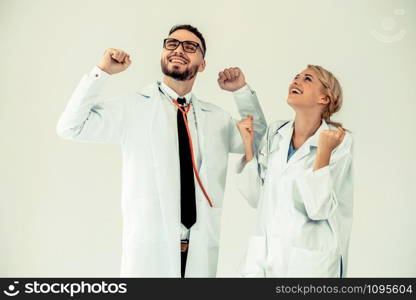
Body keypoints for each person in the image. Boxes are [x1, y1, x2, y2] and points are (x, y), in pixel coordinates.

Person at [56, 24, 266, 277]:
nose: (179, 50)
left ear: (202, 64)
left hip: (199, 249)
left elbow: (258, 142)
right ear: (162, 54)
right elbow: (71, 127)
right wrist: (102, 73)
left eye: (190, 47)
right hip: (149, 249)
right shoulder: (134, 108)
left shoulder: (216, 118)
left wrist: (241, 93)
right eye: (172, 44)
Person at [236, 64, 353, 277]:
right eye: (296, 77)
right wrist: (248, 146)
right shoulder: (276, 133)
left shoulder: (339, 141)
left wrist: (324, 152)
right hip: (263, 256)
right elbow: (256, 198)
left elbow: (319, 209)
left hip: (308, 264)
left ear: (324, 99)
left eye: (307, 79)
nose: (296, 81)